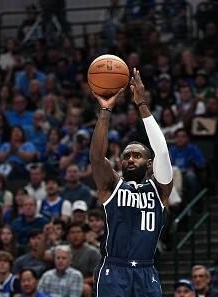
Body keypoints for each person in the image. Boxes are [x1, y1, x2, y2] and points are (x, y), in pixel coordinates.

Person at [90, 68, 173, 297]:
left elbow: (163, 153)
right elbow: (97, 158)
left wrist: (142, 104)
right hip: (114, 269)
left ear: (149, 164)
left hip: (146, 270)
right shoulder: (111, 186)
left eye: (137, 155)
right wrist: (106, 110)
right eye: (126, 155)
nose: (130, 159)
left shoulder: (160, 190)